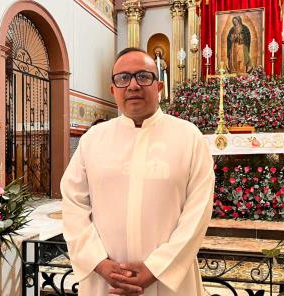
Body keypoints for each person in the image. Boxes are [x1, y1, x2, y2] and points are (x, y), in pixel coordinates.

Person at [60, 47, 215, 296]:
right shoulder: (93, 139)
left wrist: (156, 268)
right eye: (123, 78)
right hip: (106, 282)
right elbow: (73, 204)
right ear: (113, 90)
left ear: (160, 87)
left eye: (144, 76)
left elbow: (198, 213)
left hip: (168, 282)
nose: (133, 85)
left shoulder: (189, 137)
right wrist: (98, 262)